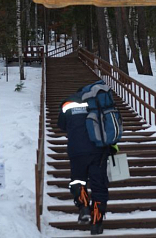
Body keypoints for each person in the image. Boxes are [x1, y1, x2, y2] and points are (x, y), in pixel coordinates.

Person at [57, 85, 110, 235]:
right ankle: (96, 223)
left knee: (78, 181)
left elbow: (61, 125)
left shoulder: (68, 103)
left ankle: (84, 206)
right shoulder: (98, 102)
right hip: (98, 150)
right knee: (99, 187)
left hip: (77, 150)